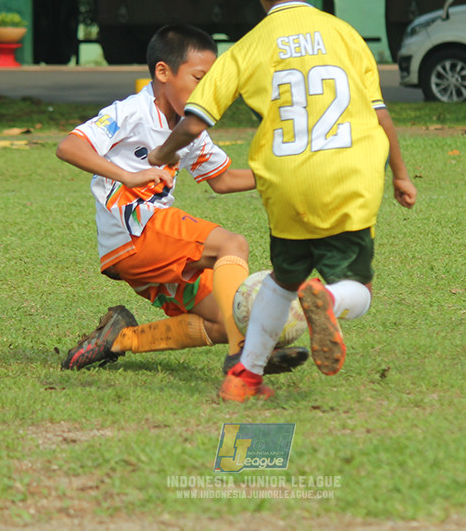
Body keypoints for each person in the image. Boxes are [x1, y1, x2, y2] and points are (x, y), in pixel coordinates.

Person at [149, 0, 418, 403]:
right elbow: (380, 116)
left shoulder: (245, 50)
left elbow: (192, 123)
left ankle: (244, 378)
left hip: (285, 183)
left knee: (282, 280)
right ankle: (330, 300)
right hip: (349, 178)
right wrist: (400, 175)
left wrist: (159, 156)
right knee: (356, 286)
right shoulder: (345, 36)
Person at [56, 23, 308, 375]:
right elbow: (69, 146)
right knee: (232, 244)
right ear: (163, 72)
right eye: (199, 79)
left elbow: (222, 180)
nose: (207, 91)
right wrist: (129, 175)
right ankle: (246, 355)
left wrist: (286, 176)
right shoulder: (131, 112)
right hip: (136, 233)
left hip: (148, 252)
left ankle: (119, 339)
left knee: (224, 320)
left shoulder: (191, 128)